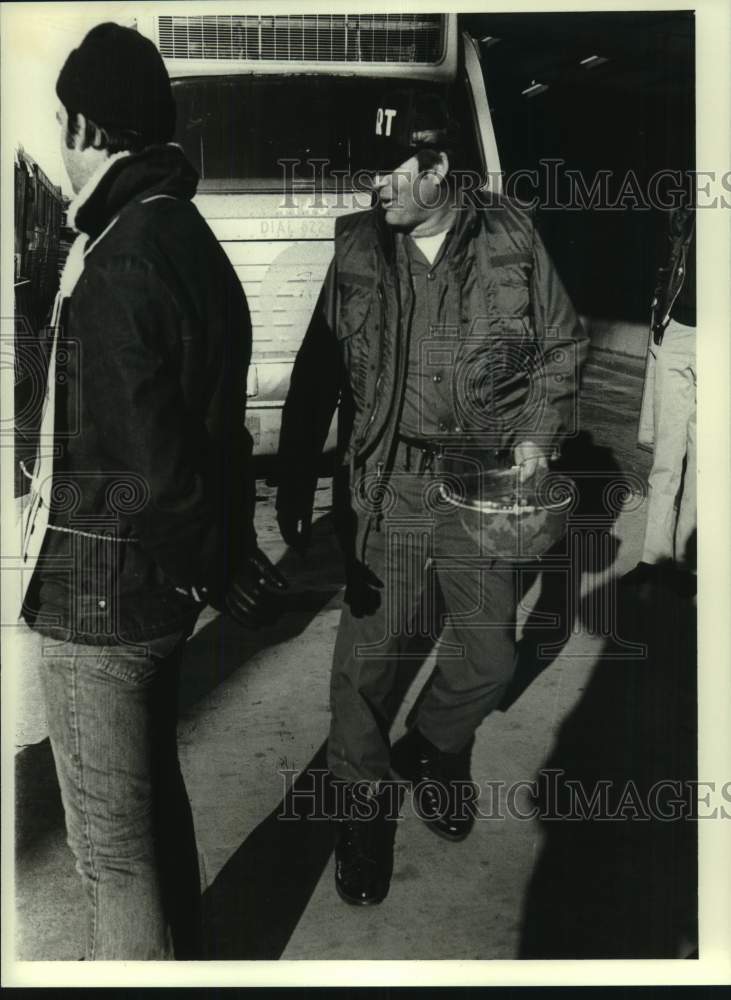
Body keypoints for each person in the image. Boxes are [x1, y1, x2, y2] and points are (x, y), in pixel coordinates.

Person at [276, 90, 587, 905]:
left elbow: (560, 345)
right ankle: (364, 807)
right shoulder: (356, 250)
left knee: (489, 659)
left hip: (484, 487)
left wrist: (533, 439)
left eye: (387, 172)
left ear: (438, 168)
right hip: (392, 489)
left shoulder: (510, 235)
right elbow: (317, 370)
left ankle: (436, 747)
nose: (372, 189)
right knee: (365, 670)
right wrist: (301, 488)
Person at [19, 22, 285, 959]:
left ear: (92, 128)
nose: (61, 140)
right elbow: (218, 430)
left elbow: (148, 463)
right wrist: (214, 560)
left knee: (111, 858)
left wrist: (199, 558)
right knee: (154, 820)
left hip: (102, 602)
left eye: (64, 121)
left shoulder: (117, 261)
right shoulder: (189, 240)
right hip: (161, 599)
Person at [625, 204, 696, 592]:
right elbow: (668, 259)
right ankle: (654, 557)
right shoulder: (693, 201)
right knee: (666, 456)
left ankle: (690, 566)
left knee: (704, 457)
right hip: (677, 327)